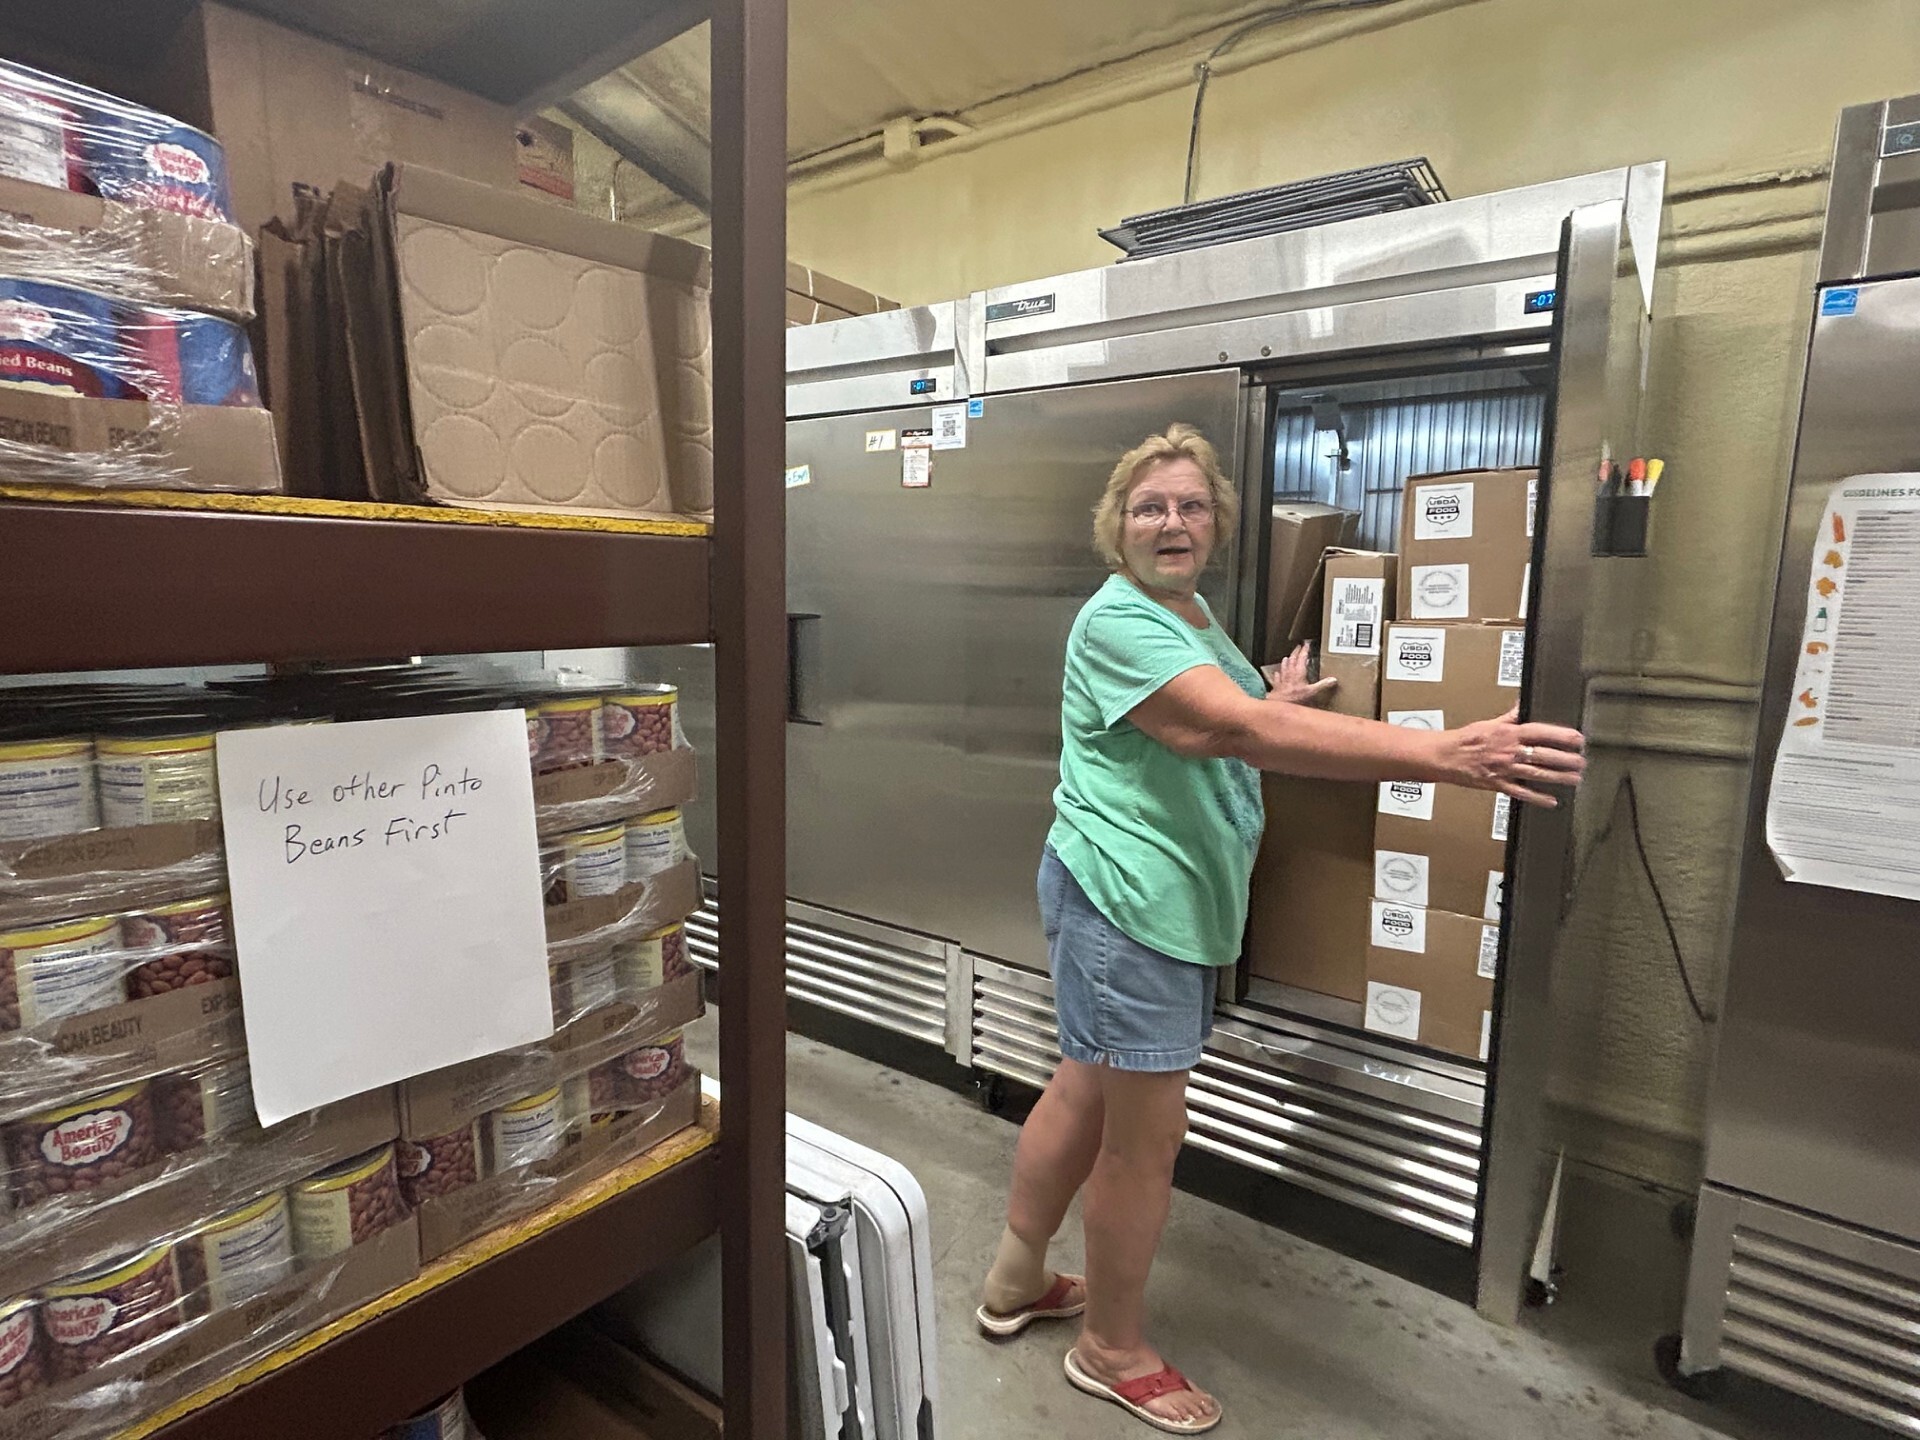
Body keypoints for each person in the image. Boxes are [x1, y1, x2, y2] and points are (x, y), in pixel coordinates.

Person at [974, 424, 1587, 1434]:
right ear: (1114, 527)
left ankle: (1014, 1280)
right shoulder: (1120, 619)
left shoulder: (1185, 611)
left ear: (1215, 525)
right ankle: (1111, 1348)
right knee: (1144, 1145)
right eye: (1149, 506)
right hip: (1133, 904)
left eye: (1191, 506)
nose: (1172, 522)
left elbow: (1226, 708)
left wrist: (1273, 692)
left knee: (1084, 1086)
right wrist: (1448, 751)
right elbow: (1225, 728)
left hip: (1129, 895)